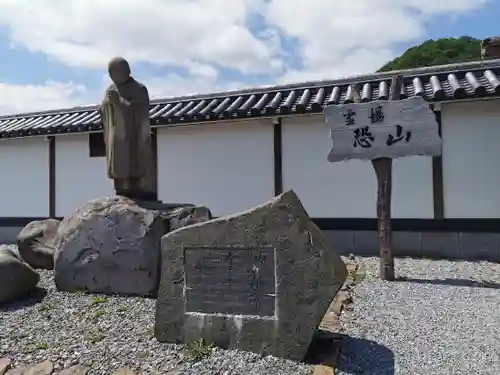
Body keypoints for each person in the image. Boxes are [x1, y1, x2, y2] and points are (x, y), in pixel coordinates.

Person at [99, 57, 157, 201]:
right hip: (116, 135)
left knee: (134, 162)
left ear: (126, 70)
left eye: (116, 71)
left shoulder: (139, 89)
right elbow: (103, 110)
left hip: (134, 137)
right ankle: (120, 189)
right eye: (110, 72)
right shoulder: (110, 89)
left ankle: (138, 189)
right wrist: (107, 105)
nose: (112, 75)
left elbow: (140, 111)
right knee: (119, 164)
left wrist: (119, 103)